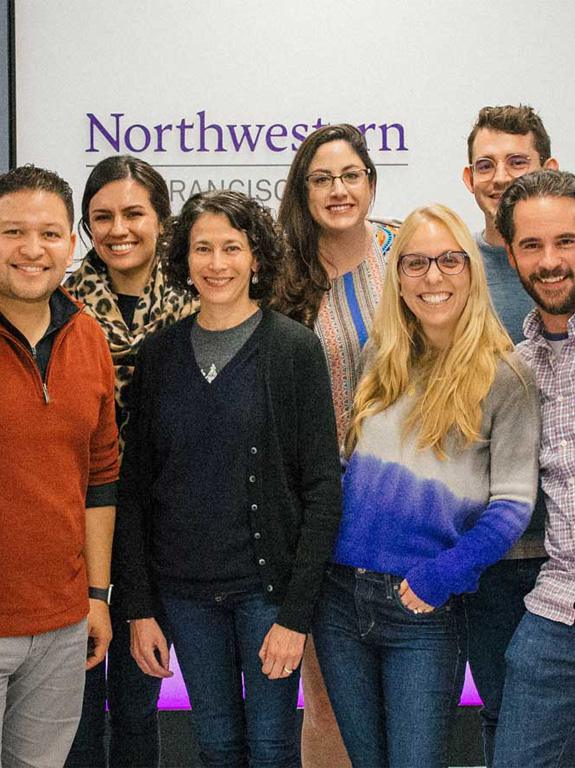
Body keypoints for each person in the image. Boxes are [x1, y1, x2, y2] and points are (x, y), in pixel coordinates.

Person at [113, 190, 342, 767]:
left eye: (232, 248)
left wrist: (296, 615)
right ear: (184, 261)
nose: (217, 263)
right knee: (215, 746)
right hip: (185, 596)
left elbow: (321, 488)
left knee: (270, 747)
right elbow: (136, 490)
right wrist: (140, 608)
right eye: (203, 249)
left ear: (256, 257)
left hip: (267, 596)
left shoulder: (294, 349)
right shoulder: (160, 356)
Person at [313, 204, 540, 768]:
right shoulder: (378, 358)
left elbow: (514, 505)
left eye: (448, 261)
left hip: (423, 607)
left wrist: (446, 573)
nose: (432, 277)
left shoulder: (506, 374)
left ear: (471, 271)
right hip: (340, 599)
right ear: (397, 277)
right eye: (415, 263)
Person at [272, 122, 399, 768]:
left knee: (401, 698)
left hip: (406, 510)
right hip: (317, 514)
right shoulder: (279, 274)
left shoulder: (408, 253)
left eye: (350, 175)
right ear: (302, 190)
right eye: (320, 179)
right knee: (325, 700)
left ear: (371, 183)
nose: (337, 189)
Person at [63, 155, 193, 768]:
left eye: (134, 213)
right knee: (76, 705)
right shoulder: (59, 305)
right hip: (76, 521)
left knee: (140, 703)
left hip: (161, 530)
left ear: (162, 220)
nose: (119, 228)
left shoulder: (199, 301)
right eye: (103, 217)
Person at [0, 165, 118, 767]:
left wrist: (96, 595)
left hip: (63, 625)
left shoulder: (88, 337)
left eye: (48, 233)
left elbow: (100, 477)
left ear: (72, 242)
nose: (31, 249)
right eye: (12, 232)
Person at [462, 104, 558, 766]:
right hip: (498, 554)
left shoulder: (562, 263)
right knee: (507, 717)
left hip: (565, 549)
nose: (500, 177)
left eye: (516, 162)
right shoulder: (448, 272)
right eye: (486, 164)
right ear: (468, 177)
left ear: (548, 171)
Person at [492, 169, 575, 768]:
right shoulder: (519, 366)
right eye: (532, 245)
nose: (550, 262)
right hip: (556, 609)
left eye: (566, 241)